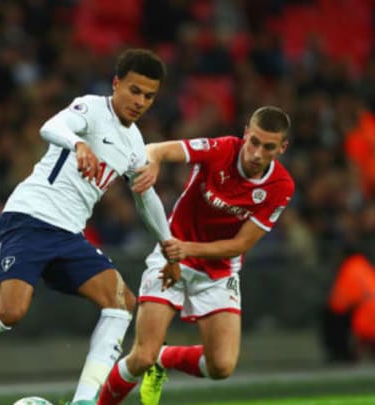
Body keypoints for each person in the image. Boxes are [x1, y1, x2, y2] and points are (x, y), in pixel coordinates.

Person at [0, 48, 179, 405]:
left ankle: (84, 401)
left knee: (121, 300)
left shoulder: (135, 143)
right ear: (116, 83)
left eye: (149, 96)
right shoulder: (91, 108)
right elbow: (51, 127)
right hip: (29, 219)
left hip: (68, 235)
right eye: (134, 90)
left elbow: (146, 198)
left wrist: (168, 245)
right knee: (10, 312)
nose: (140, 101)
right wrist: (77, 143)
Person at [96, 106, 294, 405]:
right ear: (245, 134)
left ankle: (164, 358)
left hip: (218, 271)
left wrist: (188, 248)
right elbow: (156, 149)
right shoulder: (221, 149)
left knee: (221, 367)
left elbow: (240, 245)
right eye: (254, 142)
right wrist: (152, 164)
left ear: (282, 148)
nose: (256, 153)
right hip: (171, 258)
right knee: (141, 356)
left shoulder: (281, 187)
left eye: (268, 147)